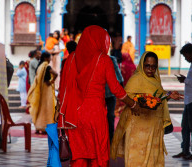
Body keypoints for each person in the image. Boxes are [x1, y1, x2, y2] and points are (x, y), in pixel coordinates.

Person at [56, 25, 141, 167]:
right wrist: (132, 104)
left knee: (79, 157)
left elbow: (63, 88)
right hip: (95, 115)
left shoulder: (71, 59)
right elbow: (116, 89)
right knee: (97, 155)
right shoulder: (104, 60)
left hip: (75, 115)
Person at [111, 51, 181, 167]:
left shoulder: (155, 81)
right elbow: (126, 96)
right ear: (142, 65)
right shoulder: (136, 79)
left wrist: (168, 96)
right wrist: (138, 102)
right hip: (137, 129)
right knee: (136, 157)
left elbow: (159, 99)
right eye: (147, 66)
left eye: (153, 67)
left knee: (153, 159)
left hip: (154, 127)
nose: (150, 69)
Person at [27, 51, 58, 134]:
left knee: (40, 107)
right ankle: (46, 126)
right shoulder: (46, 66)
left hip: (40, 90)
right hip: (47, 89)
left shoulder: (39, 66)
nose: (50, 59)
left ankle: (38, 127)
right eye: (49, 57)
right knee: (48, 108)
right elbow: (56, 74)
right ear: (46, 58)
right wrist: (52, 81)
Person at [105, 55, 124, 143]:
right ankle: (109, 137)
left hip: (108, 92)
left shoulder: (112, 59)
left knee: (110, 115)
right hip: (101, 93)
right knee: (110, 115)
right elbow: (119, 75)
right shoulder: (111, 59)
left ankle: (110, 136)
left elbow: (118, 74)